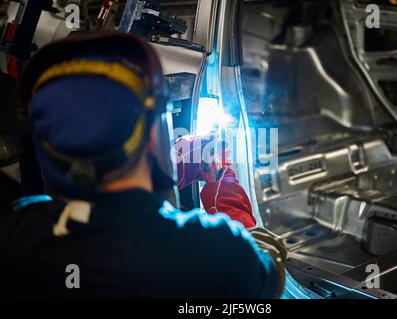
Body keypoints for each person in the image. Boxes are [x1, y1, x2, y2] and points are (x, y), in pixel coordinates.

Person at [0, 32, 286, 299]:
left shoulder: (20, 231)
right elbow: (265, 265)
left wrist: (179, 166)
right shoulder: (217, 254)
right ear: (154, 133)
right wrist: (223, 185)